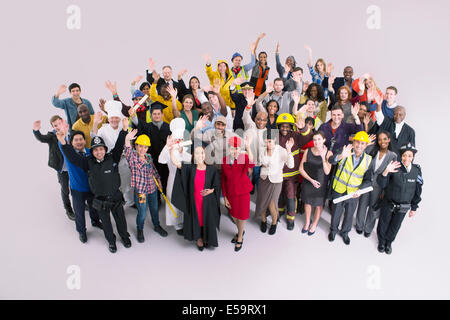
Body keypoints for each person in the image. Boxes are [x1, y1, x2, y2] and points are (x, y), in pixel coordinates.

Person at [59, 119, 132, 253]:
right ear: (91, 152)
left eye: (101, 149)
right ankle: (111, 242)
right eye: (96, 150)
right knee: (107, 224)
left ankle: (124, 237)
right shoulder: (87, 162)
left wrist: (124, 129)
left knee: (121, 220)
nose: (99, 152)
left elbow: (119, 145)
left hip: (115, 197)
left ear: (105, 149)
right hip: (101, 200)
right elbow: (72, 157)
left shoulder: (112, 157)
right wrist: (63, 142)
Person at [170, 144, 221, 251]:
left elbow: (217, 185)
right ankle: (198, 238)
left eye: (202, 152)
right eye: (197, 153)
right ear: (194, 156)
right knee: (197, 220)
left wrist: (211, 191)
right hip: (194, 202)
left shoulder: (211, 169)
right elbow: (176, 163)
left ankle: (207, 237)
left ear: (205, 155)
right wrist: (171, 150)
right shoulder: (190, 168)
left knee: (206, 219)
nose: (200, 155)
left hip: (207, 202)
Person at [327, 131, 375, 245]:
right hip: (339, 189)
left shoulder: (369, 160)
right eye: (357, 142)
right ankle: (333, 230)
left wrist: (360, 190)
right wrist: (340, 156)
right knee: (336, 213)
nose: (359, 145)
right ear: (353, 142)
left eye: (363, 143)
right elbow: (331, 160)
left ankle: (345, 233)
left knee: (349, 214)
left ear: (366, 145)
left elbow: (368, 180)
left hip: (353, 193)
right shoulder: (344, 151)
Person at [56, 128, 103, 243]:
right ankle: (81, 231)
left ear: (84, 140)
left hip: (91, 188)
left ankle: (95, 221)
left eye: (81, 139)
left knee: (93, 207)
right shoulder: (69, 153)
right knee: (79, 212)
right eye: (76, 140)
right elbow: (63, 145)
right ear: (71, 143)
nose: (79, 141)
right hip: (77, 189)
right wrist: (62, 138)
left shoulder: (90, 152)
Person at [376, 143, 423, 254]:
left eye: (409, 156)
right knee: (383, 223)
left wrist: (414, 207)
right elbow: (381, 184)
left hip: (403, 206)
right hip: (389, 202)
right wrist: (386, 171)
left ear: (413, 157)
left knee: (395, 226)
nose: (406, 158)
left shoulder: (416, 171)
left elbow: (418, 190)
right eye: (404, 155)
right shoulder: (394, 166)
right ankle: (381, 242)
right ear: (401, 156)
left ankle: (389, 243)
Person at [124, 131, 168, 242]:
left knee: (154, 209)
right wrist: (127, 139)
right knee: (142, 212)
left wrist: (159, 180)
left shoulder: (148, 157)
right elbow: (128, 150)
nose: (143, 149)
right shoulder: (133, 158)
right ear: (136, 146)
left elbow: (153, 170)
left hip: (152, 189)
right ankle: (140, 229)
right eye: (140, 146)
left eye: (145, 147)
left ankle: (157, 226)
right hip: (141, 192)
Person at [93, 100, 135, 208]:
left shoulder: (124, 128)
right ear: (108, 119)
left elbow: (130, 144)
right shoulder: (103, 129)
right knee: (117, 183)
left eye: (116, 118)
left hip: (125, 159)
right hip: (111, 161)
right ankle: (118, 202)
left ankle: (130, 201)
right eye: (112, 118)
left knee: (129, 180)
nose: (114, 120)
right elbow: (95, 139)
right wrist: (95, 123)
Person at [355, 131, 397, 237]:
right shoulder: (373, 149)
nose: (382, 141)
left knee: (373, 209)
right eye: (379, 139)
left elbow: (391, 176)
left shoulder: (392, 156)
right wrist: (367, 144)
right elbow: (361, 155)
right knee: (362, 206)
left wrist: (385, 191)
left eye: (384, 139)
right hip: (367, 182)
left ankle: (368, 228)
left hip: (379, 187)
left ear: (389, 140)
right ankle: (359, 226)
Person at [276, 113, 314, 230]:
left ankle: (290, 218)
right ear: (279, 126)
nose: (285, 129)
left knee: (291, 195)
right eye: (283, 126)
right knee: (279, 195)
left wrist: (303, 128)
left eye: (287, 126)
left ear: (291, 127)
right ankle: (280, 211)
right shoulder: (273, 135)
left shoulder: (296, 135)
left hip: (292, 175)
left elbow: (308, 137)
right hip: (278, 173)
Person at [33, 116, 75, 220]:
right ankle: (68, 209)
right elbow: (42, 138)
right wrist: (36, 130)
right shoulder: (52, 136)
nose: (57, 126)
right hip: (62, 169)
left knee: (75, 188)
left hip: (72, 167)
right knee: (65, 190)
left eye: (59, 123)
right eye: (55, 125)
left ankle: (81, 204)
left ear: (62, 123)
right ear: (52, 127)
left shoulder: (69, 133)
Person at [158, 119, 192, 235]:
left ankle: (185, 221)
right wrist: (167, 147)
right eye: (177, 139)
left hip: (185, 179)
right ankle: (177, 225)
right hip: (173, 178)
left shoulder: (186, 148)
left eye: (181, 139)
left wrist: (183, 153)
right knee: (173, 201)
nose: (179, 141)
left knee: (185, 199)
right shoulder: (168, 150)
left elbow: (192, 161)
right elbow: (161, 160)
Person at [221, 135, 255, 252]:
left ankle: (240, 236)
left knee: (242, 216)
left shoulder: (243, 157)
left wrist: (248, 147)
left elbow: (252, 163)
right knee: (233, 215)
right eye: (232, 148)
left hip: (243, 192)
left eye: (237, 148)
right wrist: (225, 196)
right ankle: (241, 230)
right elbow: (223, 179)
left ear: (240, 149)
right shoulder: (224, 160)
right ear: (228, 148)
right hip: (230, 193)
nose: (234, 151)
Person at [257, 134, 294, 235]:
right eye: (266, 141)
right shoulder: (262, 149)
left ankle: (274, 223)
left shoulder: (281, 150)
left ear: (275, 140)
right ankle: (263, 220)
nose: (268, 144)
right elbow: (259, 162)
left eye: (270, 141)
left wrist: (289, 150)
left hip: (276, 181)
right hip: (264, 179)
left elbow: (291, 165)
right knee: (262, 202)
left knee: (272, 204)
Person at [131, 102, 171, 194]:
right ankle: (156, 200)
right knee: (154, 182)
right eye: (154, 114)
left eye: (158, 114)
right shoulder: (147, 126)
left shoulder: (168, 127)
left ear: (162, 114)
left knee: (166, 179)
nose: (157, 116)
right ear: (151, 115)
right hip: (152, 161)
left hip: (165, 161)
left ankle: (166, 198)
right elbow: (137, 122)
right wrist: (133, 115)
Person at [299, 131, 332, 236]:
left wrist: (323, 158)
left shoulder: (328, 153)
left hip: (320, 183)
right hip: (309, 181)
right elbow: (301, 169)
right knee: (307, 203)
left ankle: (314, 223)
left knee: (318, 205)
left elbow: (327, 171)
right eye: (314, 140)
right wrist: (311, 180)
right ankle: (308, 221)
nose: (316, 142)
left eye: (319, 139)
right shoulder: (307, 151)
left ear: (324, 140)